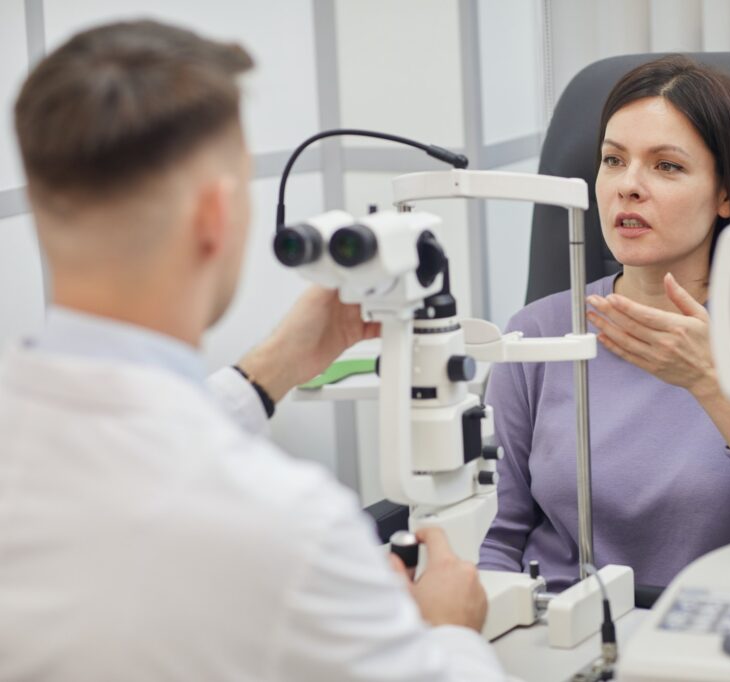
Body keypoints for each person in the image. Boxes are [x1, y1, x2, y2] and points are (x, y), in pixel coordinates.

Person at [0, 20, 508, 681]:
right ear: (215, 214)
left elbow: (122, 440)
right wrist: (448, 630)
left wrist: (271, 370)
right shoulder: (288, 528)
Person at [478, 55, 730, 591]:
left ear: (725, 193)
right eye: (613, 160)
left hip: (709, 641)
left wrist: (711, 384)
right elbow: (498, 536)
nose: (627, 186)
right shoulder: (536, 335)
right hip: (559, 638)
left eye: (667, 166)